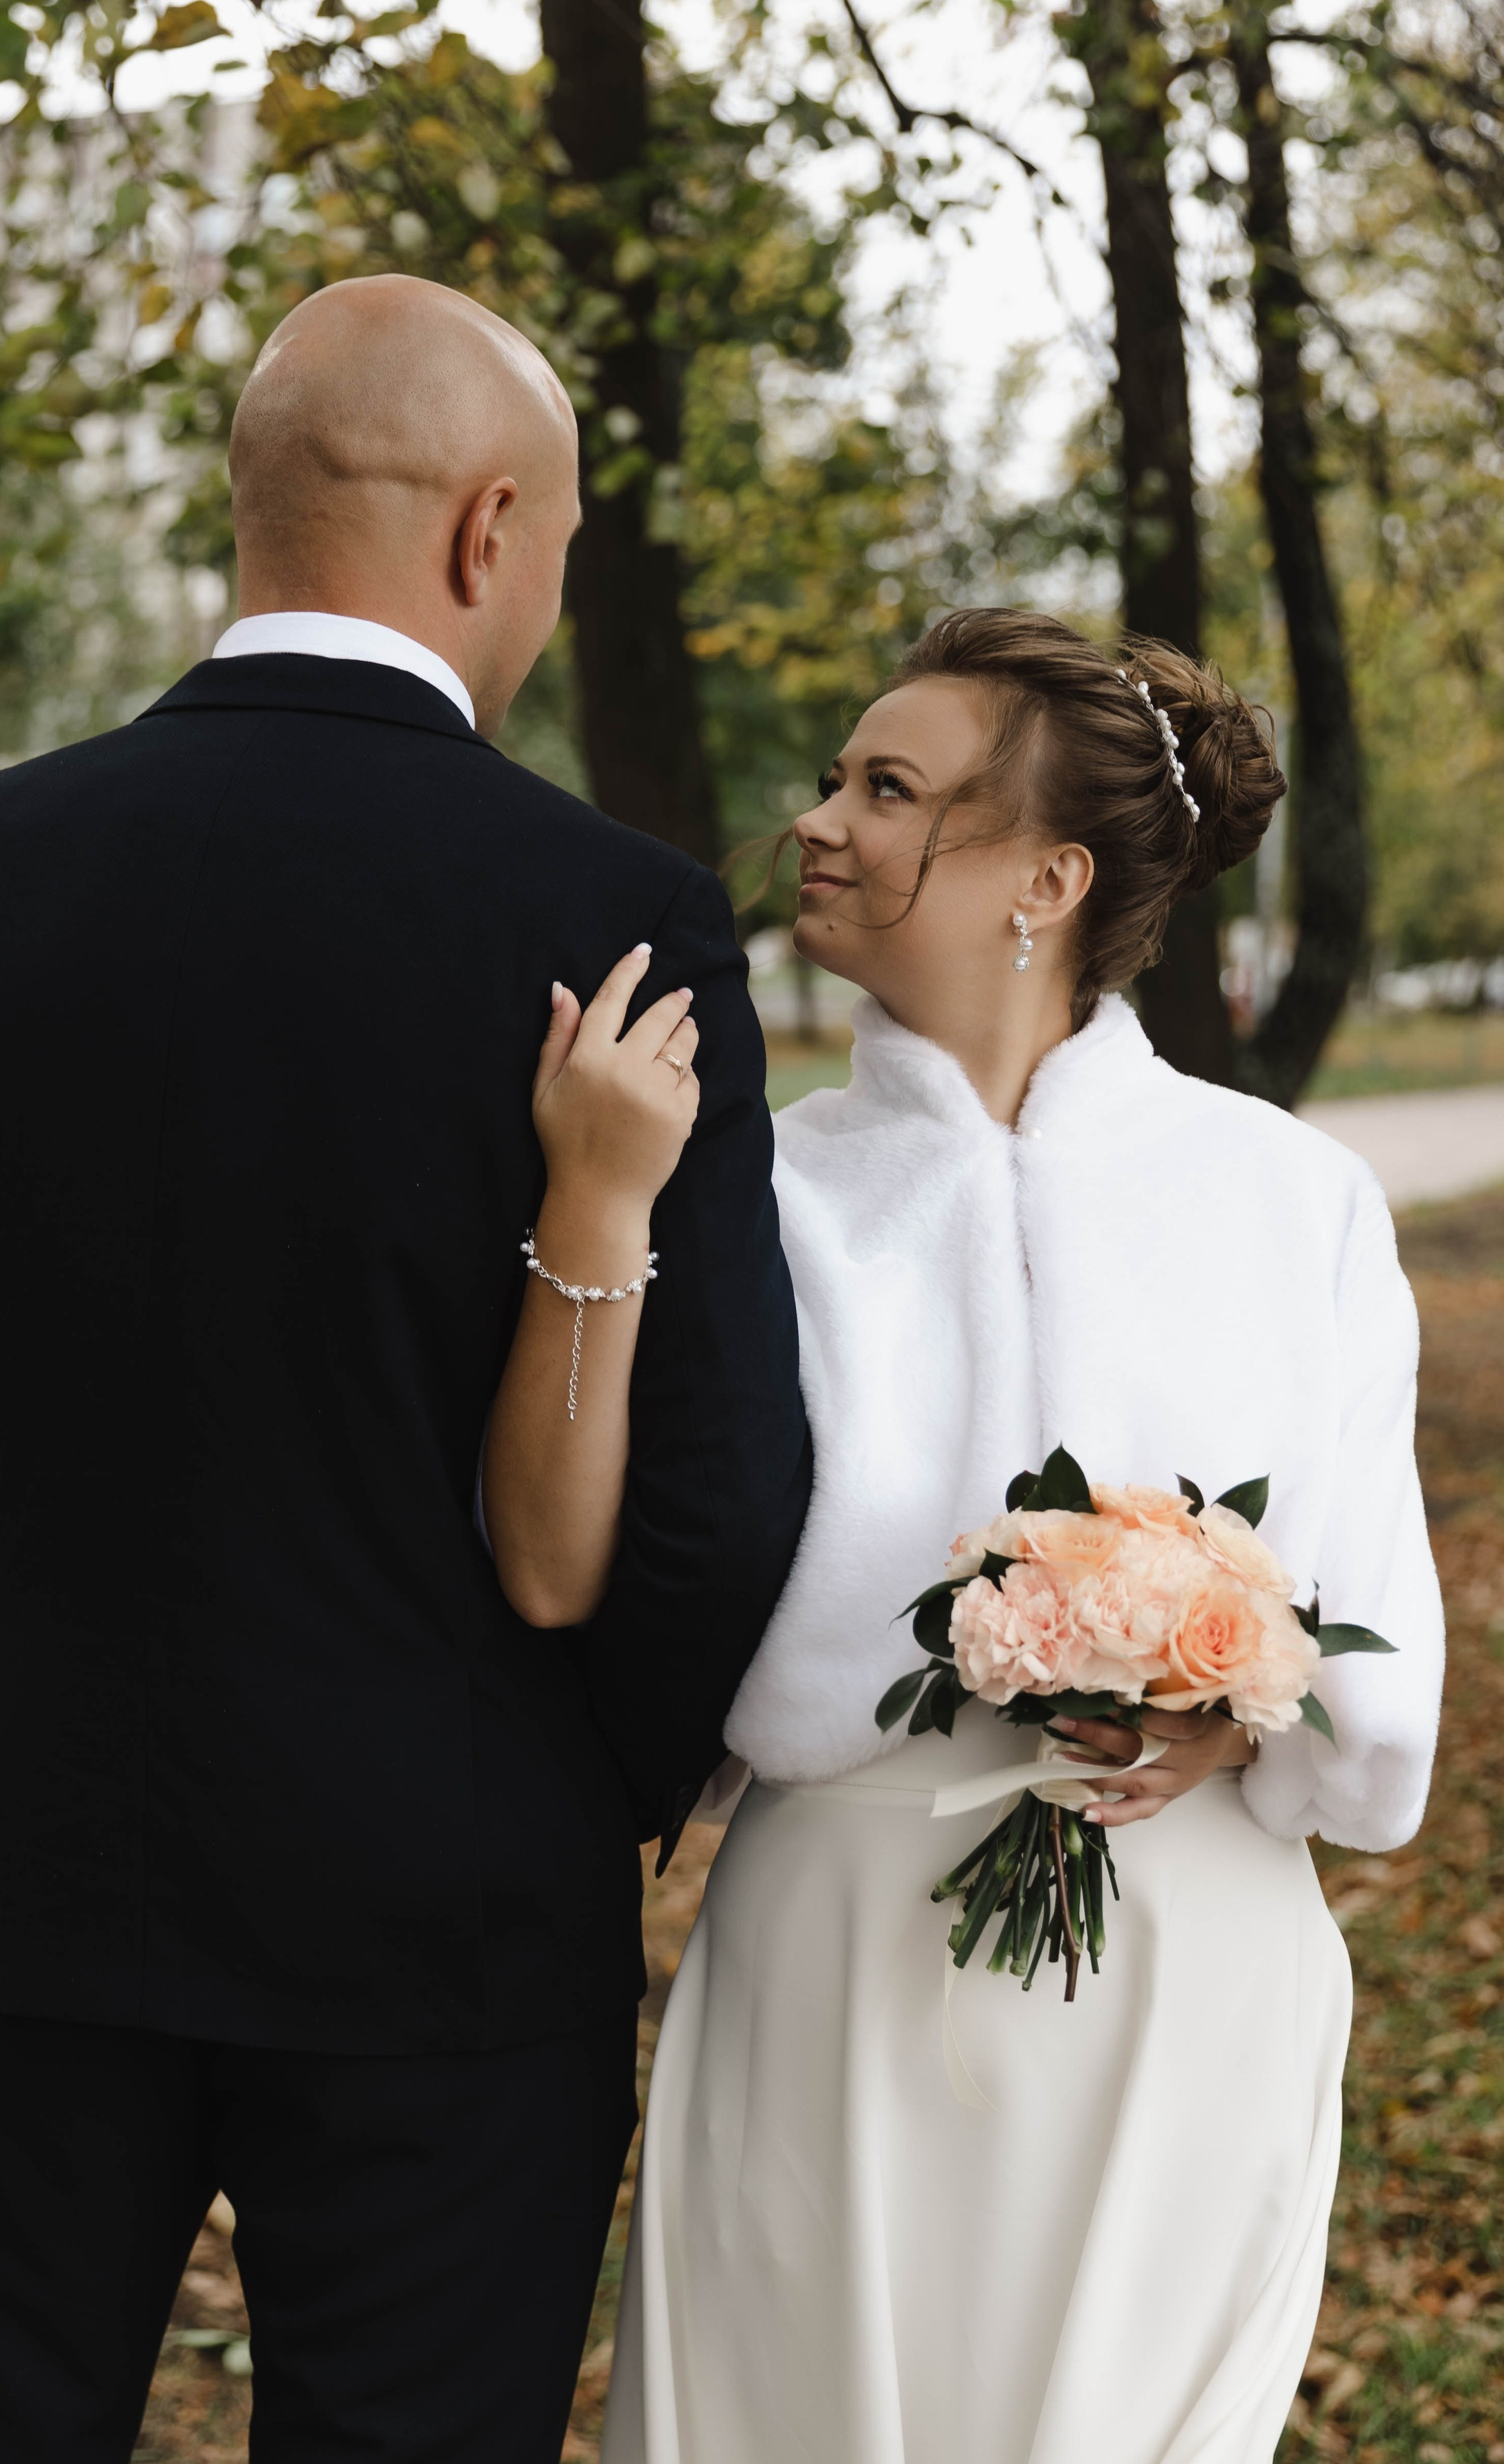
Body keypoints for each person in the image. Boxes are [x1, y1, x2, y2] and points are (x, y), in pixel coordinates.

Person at [0, 275, 812, 2464]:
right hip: (452, 1906)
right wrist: (573, 1795)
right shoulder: (610, 915)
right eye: (555, 557)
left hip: (36, 1865)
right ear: (484, 530)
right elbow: (716, 1487)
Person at [483, 607, 1445, 2464]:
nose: (822, 820)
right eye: (836, 776)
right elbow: (631, 1577)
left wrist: (1239, 1696)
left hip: (1188, 1974)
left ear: (1049, 876)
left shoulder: (1294, 1203)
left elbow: (1369, 1646)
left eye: (890, 786)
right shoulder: (758, 1193)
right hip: (837, 1967)